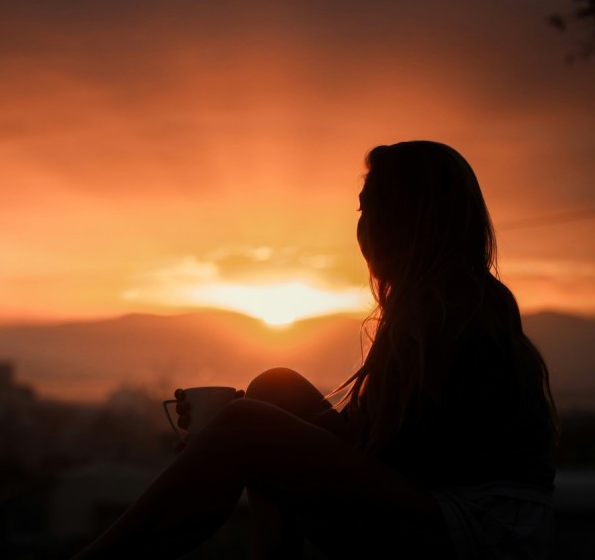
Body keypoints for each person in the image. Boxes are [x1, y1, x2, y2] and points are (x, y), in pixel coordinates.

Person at [72, 141, 558, 559]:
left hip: (477, 530)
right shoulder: (460, 298)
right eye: (361, 210)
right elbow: (381, 448)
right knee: (271, 390)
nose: (362, 228)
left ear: (412, 221)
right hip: (457, 515)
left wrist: (237, 433)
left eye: (373, 209)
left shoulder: (443, 309)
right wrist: (251, 429)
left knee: (249, 423)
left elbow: (399, 456)